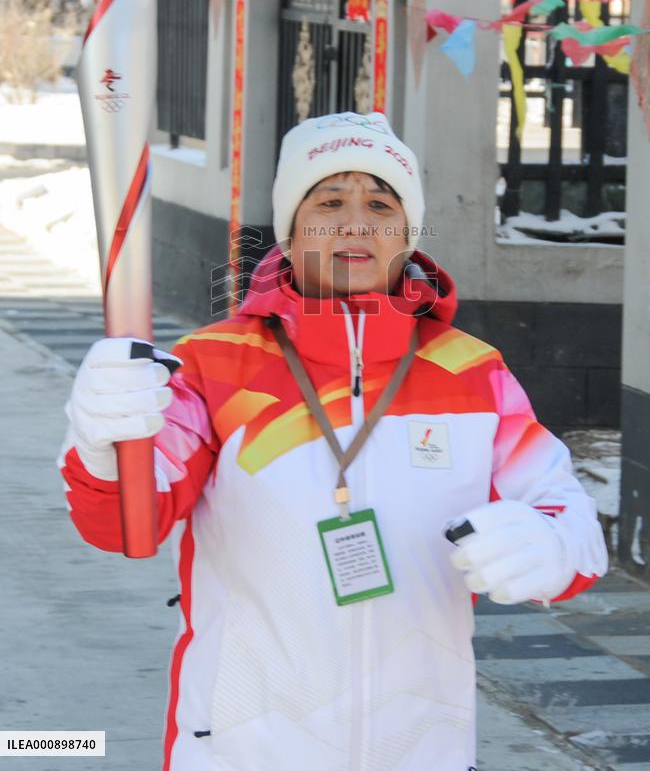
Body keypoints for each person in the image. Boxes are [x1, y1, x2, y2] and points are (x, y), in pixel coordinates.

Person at [59, 112, 608, 771]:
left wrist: (548, 546)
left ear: (407, 234)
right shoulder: (212, 366)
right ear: (289, 234)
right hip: (244, 748)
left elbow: (564, 512)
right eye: (328, 202)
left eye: (380, 203)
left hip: (420, 749)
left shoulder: (472, 372)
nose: (355, 223)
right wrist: (104, 443)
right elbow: (128, 525)